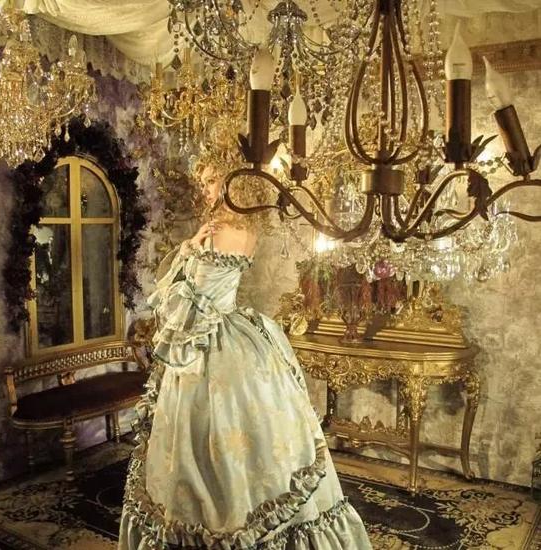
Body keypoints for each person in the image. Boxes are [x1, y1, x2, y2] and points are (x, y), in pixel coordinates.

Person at [118, 152, 372, 549]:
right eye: (203, 182)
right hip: (239, 335)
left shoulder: (219, 231)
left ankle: (220, 516)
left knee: (204, 440)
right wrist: (190, 248)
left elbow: (187, 302)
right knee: (258, 439)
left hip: (207, 342)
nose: (205, 190)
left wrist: (187, 252)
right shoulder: (246, 230)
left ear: (233, 183)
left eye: (211, 181)